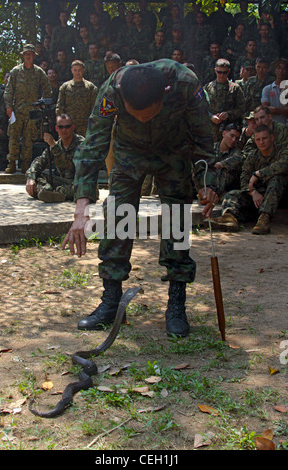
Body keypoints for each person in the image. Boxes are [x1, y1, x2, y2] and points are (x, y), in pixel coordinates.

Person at [61, 59, 219, 338]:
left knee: (177, 221)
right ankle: (111, 301)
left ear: (165, 93)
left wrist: (206, 183)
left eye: (149, 114)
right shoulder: (112, 89)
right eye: (137, 115)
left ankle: (176, 304)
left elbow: (203, 138)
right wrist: (81, 207)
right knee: (118, 216)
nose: (144, 119)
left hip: (174, 152)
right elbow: (95, 142)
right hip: (129, 152)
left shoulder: (185, 84)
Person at [210, 125, 288, 235]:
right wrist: (253, 192)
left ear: (272, 138)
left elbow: (284, 165)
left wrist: (259, 174)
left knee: (277, 178)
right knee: (232, 194)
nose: (261, 142)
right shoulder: (252, 156)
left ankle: (264, 220)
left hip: (280, 196)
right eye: (258, 139)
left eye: (264, 138)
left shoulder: (281, 151)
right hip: (258, 198)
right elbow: (244, 179)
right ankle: (229, 218)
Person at [4, 44, 52, 174]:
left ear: (34, 56)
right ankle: (12, 163)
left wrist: (42, 103)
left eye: (30, 54)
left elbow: (48, 88)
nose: (28, 56)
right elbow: (8, 90)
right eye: (26, 54)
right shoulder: (15, 71)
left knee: (28, 138)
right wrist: (9, 106)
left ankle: (26, 164)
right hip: (17, 110)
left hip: (32, 111)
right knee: (14, 137)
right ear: (23, 56)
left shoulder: (39, 72)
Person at [25, 114, 84, 202]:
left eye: (67, 127)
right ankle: (47, 191)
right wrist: (30, 178)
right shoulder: (57, 144)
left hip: (77, 182)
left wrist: (54, 146)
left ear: (72, 127)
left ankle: (55, 193)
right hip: (62, 182)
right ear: (56, 129)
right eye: (61, 127)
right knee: (37, 176)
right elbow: (40, 162)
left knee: (85, 189)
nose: (64, 130)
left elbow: (70, 168)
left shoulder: (81, 144)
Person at [204, 58, 245, 141]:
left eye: (224, 72)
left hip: (229, 130)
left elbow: (242, 108)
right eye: (219, 72)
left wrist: (229, 114)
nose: (222, 75)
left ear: (228, 72)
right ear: (215, 71)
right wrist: (211, 116)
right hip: (211, 131)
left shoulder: (235, 88)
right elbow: (200, 107)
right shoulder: (208, 88)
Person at [56, 60, 98, 137]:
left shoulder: (90, 87)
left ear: (83, 70)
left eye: (79, 70)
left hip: (85, 125)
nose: (77, 72)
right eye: (75, 70)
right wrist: (62, 124)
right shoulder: (65, 87)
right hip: (68, 125)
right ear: (71, 70)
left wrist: (93, 123)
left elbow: (94, 107)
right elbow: (60, 107)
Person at [213, 123, 244, 198]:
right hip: (206, 192)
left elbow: (240, 158)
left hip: (224, 194)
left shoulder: (236, 152)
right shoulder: (211, 148)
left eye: (237, 138)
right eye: (232, 135)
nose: (234, 140)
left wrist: (222, 164)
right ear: (224, 133)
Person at [261, 58, 288, 124]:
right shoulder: (267, 89)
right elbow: (265, 109)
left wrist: (275, 110)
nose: (281, 71)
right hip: (271, 125)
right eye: (278, 68)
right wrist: (282, 110)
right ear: (275, 70)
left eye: (284, 69)